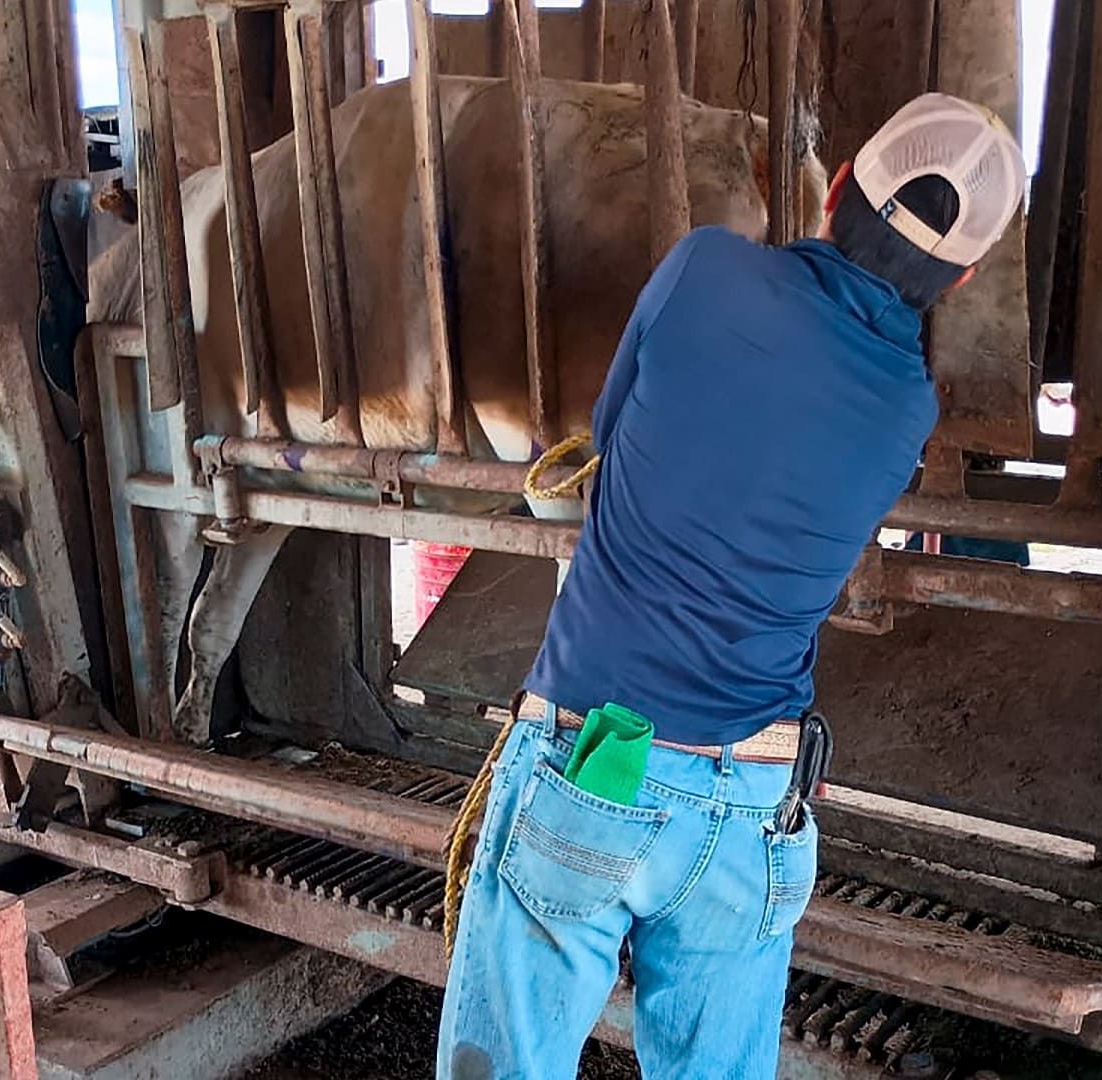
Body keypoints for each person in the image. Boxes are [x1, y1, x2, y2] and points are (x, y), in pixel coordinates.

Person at [438, 93, 1025, 1079]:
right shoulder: (905, 408)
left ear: (836, 186)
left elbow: (615, 439)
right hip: (755, 802)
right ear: (962, 274)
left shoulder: (704, 269)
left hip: (594, 762)